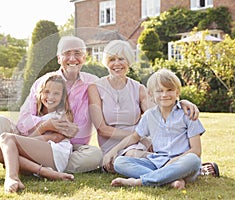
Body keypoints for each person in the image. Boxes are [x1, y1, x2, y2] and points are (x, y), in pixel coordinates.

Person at [0, 36, 103, 182]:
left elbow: (104, 118)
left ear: (85, 57)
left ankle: (19, 161)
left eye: (77, 53)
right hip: (33, 139)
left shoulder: (94, 83)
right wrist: (46, 126)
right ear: (59, 58)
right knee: (0, 121)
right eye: (67, 53)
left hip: (70, 148)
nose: (72, 58)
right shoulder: (43, 82)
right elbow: (23, 120)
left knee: (95, 155)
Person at [88, 40, 219, 177]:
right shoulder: (95, 87)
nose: (117, 63)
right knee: (130, 158)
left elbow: (161, 109)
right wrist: (141, 137)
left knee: (139, 156)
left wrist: (183, 102)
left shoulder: (138, 88)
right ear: (106, 62)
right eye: (112, 59)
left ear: (129, 62)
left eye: (121, 59)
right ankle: (186, 172)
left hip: (139, 143)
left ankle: (172, 173)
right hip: (113, 144)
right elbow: (102, 129)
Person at [104, 68, 205, 189]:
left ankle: (140, 181)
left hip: (181, 164)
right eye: (159, 91)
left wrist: (171, 164)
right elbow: (135, 137)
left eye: (170, 90)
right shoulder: (149, 115)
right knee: (120, 162)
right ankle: (169, 181)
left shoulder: (188, 114)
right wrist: (113, 150)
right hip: (157, 162)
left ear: (177, 92)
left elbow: (196, 150)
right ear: (151, 94)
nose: (164, 95)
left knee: (193, 160)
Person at [0, 74, 74, 193]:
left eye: (56, 93)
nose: (50, 97)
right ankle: (44, 172)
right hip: (40, 152)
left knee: (5, 138)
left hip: (56, 154)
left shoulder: (62, 115)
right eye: (47, 92)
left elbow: (56, 137)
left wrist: (24, 142)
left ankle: (12, 178)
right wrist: (41, 131)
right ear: (40, 93)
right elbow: (31, 139)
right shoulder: (38, 116)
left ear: (62, 96)